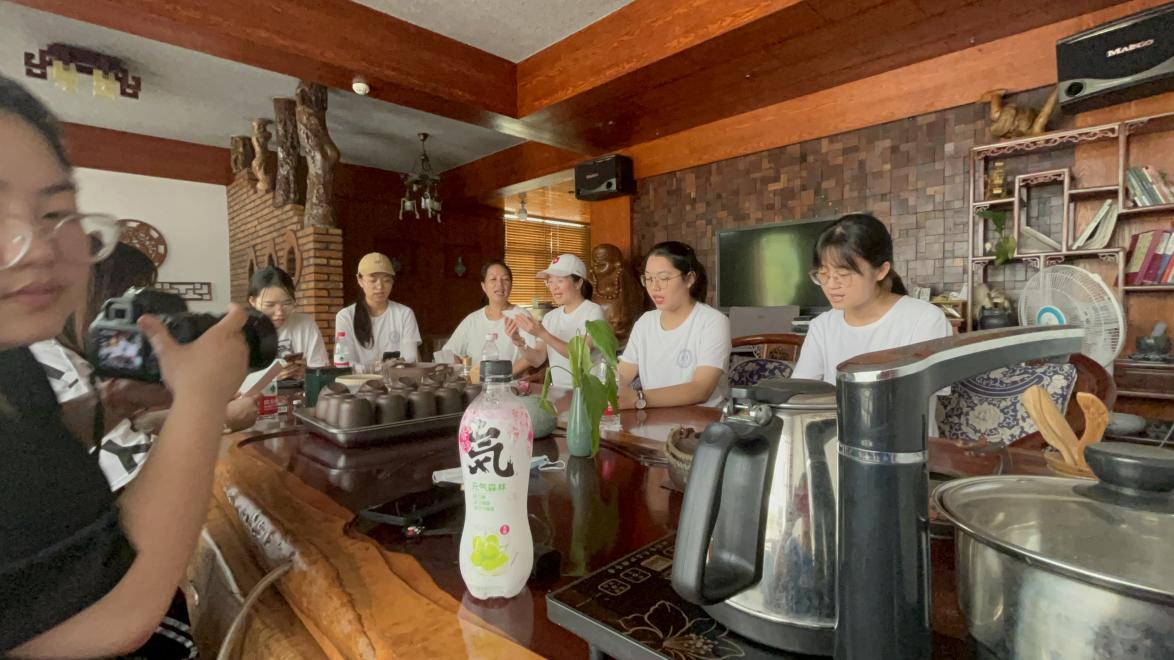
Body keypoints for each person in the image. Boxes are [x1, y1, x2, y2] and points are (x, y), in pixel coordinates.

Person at [0, 75, 247, 656]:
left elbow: (29, 448)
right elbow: (113, 614)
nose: (40, 247)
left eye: (55, 211)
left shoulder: (14, 360)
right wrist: (202, 400)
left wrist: (110, 405)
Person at [792, 213, 952, 429]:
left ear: (881, 270)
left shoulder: (924, 319)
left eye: (843, 274)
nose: (831, 285)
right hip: (834, 442)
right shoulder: (822, 326)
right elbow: (800, 393)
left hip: (904, 443)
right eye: (823, 274)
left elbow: (913, 403)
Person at [616, 241, 730, 409]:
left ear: (689, 279)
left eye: (664, 278)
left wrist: (638, 398)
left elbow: (701, 389)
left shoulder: (712, 322)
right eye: (648, 279)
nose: (654, 287)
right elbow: (622, 375)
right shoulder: (645, 323)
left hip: (701, 422)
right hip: (652, 419)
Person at [509, 253, 607, 388]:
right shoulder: (550, 317)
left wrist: (542, 333)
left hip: (590, 393)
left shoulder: (593, 311)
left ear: (578, 283)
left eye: (560, 280)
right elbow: (537, 360)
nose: (553, 287)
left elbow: (579, 354)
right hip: (559, 392)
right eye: (550, 281)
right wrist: (520, 344)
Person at [442, 260, 533, 376]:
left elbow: (533, 355)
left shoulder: (522, 315)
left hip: (511, 384)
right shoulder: (472, 320)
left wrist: (506, 376)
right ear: (483, 286)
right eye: (493, 279)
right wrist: (464, 374)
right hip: (476, 384)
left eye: (505, 279)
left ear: (511, 285)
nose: (500, 284)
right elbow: (448, 352)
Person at [334, 252, 421, 368]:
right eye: (373, 280)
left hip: (397, 379)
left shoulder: (404, 314)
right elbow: (344, 363)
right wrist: (380, 368)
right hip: (358, 379)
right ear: (360, 280)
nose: (380, 287)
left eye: (386, 280)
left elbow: (410, 360)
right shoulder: (346, 316)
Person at [248, 265, 329, 379]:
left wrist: (308, 374)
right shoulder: (242, 331)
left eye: (287, 303)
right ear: (253, 301)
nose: (280, 312)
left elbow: (321, 372)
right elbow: (233, 382)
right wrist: (270, 377)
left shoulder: (305, 324)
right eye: (270, 305)